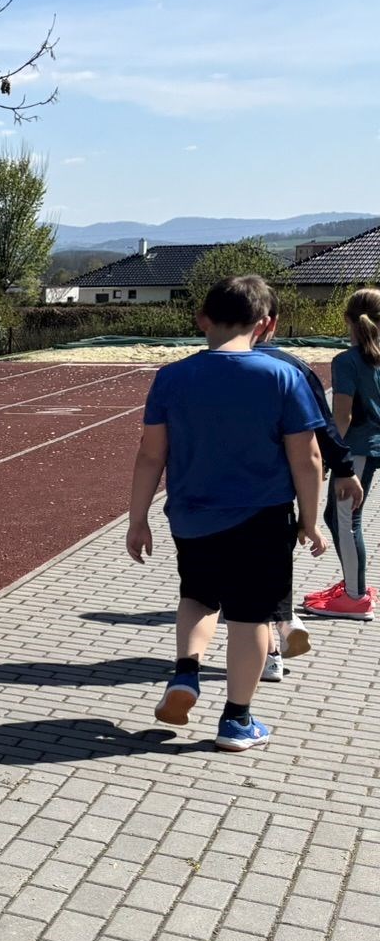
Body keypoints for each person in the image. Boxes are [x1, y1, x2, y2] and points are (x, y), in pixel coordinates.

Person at [127, 275, 328, 753]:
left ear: (202, 320)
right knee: (250, 618)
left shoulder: (171, 377)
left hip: (191, 516)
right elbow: (308, 457)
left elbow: (150, 455)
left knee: (197, 598)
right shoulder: (283, 376)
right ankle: (237, 721)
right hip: (260, 517)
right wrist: (310, 518)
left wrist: (138, 518)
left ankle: (186, 674)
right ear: (268, 324)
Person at [248, 295, 366, 673]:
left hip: (225, 487)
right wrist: (339, 471)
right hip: (282, 485)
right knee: (274, 559)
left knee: (241, 582)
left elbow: (335, 419)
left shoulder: (201, 369)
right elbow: (324, 425)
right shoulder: (292, 365)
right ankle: (284, 623)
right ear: (272, 323)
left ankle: (273, 646)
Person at [302, 286, 380, 621]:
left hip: (357, 450)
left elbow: (343, 415)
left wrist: (327, 458)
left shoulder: (347, 361)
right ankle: (354, 584)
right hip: (369, 447)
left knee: (346, 521)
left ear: (347, 319)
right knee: (338, 518)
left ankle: (355, 597)